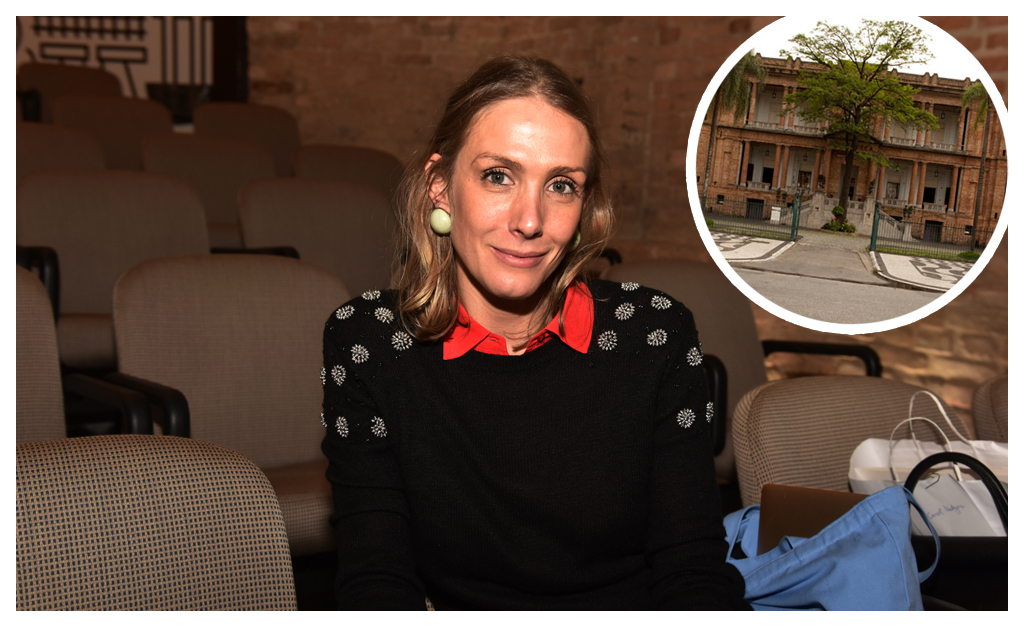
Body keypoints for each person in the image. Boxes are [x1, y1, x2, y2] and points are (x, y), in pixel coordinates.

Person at [321, 55, 749, 610]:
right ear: (440, 187)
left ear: (584, 204)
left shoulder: (654, 335)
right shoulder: (370, 344)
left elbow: (691, 571)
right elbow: (376, 583)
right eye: (498, 176)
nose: (529, 220)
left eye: (562, 186)